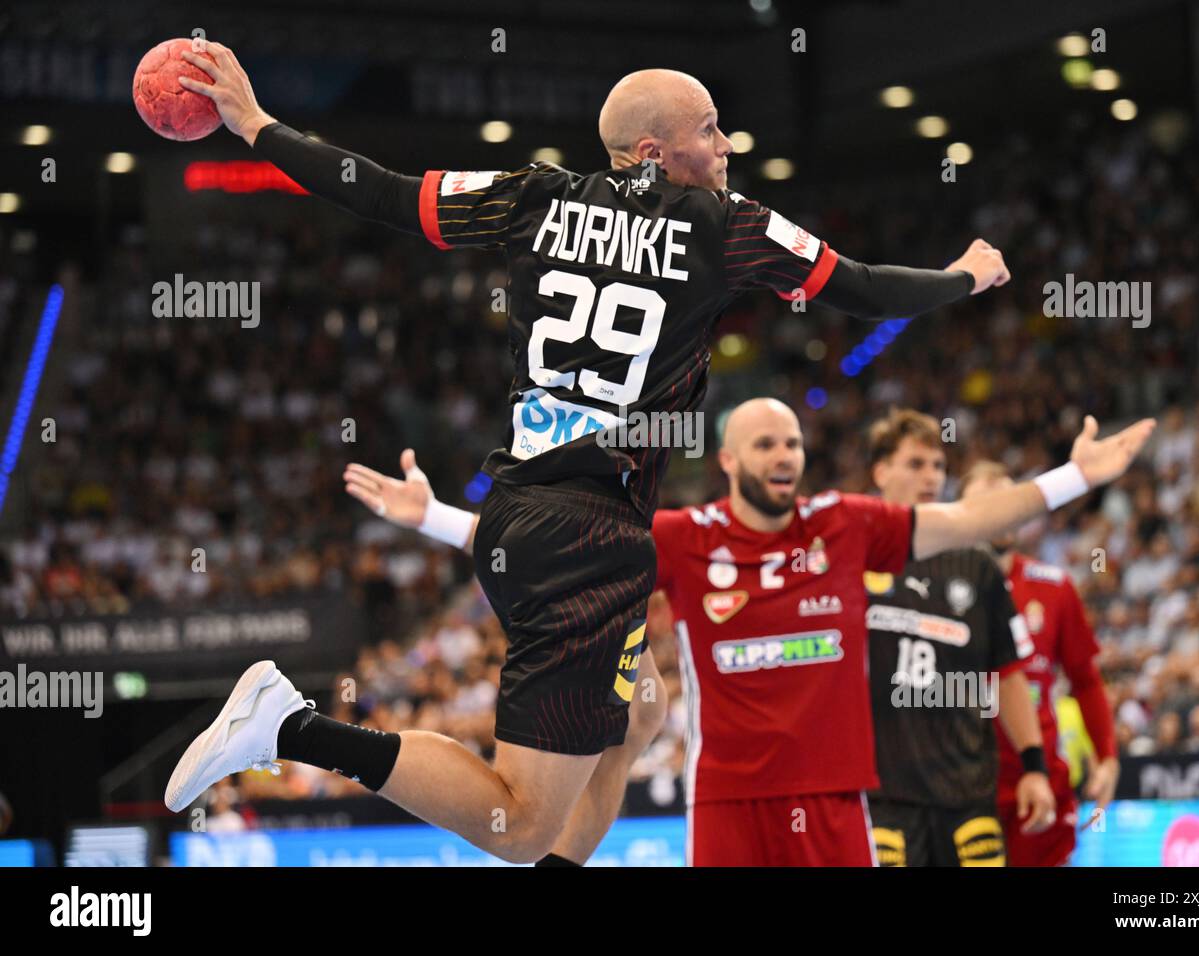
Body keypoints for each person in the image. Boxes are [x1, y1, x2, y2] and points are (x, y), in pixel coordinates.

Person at [160, 41, 1138, 865]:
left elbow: (377, 191)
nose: (726, 142)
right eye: (710, 127)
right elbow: (868, 288)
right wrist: (964, 275)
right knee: (519, 822)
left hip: (524, 516)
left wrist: (256, 124)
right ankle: (285, 724)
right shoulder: (725, 227)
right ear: (652, 150)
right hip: (590, 538)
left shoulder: (534, 196)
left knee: (641, 717)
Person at [343, 399, 1152, 864]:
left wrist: (1076, 475)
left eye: (794, 443)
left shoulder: (847, 525)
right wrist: (441, 519)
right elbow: (562, 555)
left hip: (836, 803)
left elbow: (973, 515)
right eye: (765, 442)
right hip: (728, 802)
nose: (785, 455)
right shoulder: (688, 539)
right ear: (729, 459)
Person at [862, 408, 1054, 866]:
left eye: (938, 466)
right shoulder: (855, 554)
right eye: (915, 464)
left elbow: (1008, 674)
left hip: (967, 797)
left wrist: (1034, 768)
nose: (931, 476)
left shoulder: (977, 565)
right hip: (883, 800)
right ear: (881, 471)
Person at [963, 459, 1119, 866]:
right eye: (990, 502)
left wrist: (1107, 757)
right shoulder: (929, 588)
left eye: (1013, 499)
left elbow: (1085, 680)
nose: (1005, 510)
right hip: (958, 788)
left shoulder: (1054, 586)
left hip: (1041, 784)